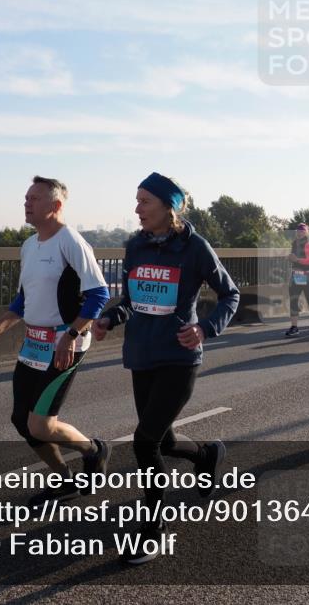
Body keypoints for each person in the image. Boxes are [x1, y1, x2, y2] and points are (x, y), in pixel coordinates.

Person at [92, 172, 240, 565]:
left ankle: (153, 528)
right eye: (137, 201)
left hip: (178, 358)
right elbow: (131, 298)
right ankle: (207, 454)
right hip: (142, 354)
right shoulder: (135, 246)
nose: (136, 209)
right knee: (165, 440)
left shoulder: (195, 248)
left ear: (167, 208)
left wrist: (205, 328)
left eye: (144, 202)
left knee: (144, 442)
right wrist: (111, 318)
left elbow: (230, 294)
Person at [0, 176, 112, 508]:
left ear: (55, 206)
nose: (26, 203)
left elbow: (99, 295)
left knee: (41, 424)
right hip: (33, 344)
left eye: (34, 198)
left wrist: (71, 334)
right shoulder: (29, 245)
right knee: (22, 421)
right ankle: (64, 478)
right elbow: (24, 299)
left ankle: (94, 449)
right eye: (26, 197)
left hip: (65, 344)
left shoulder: (71, 242)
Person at [285, 223, 309, 336]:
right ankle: (294, 327)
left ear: (307, 233)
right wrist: (290, 258)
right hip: (297, 276)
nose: (300, 233)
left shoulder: (308, 244)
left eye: (302, 231)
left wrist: (297, 259)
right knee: (293, 300)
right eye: (298, 231)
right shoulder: (295, 243)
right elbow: (294, 258)